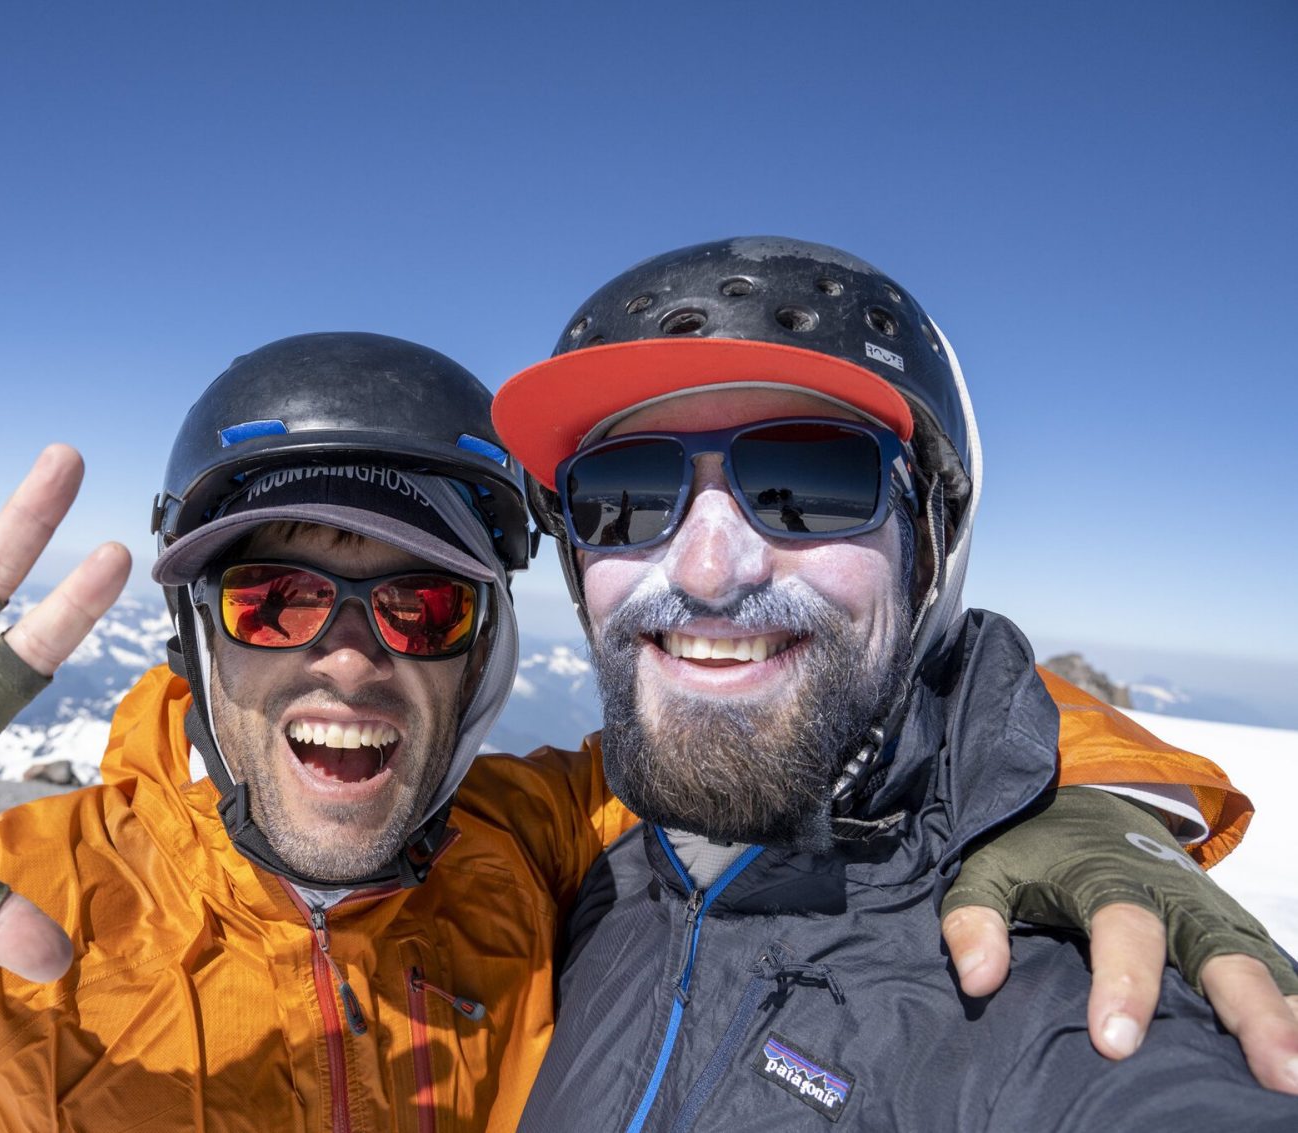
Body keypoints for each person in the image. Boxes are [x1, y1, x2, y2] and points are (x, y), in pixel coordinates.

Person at [0, 333, 1281, 1133]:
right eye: (274, 601)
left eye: (419, 605)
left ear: (483, 652)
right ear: (195, 638)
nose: (349, 661)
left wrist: (1063, 797)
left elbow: (775, 711)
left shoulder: (524, 842)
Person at [489, 237, 1298, 1129]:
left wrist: (1067, 799)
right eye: (626, 493)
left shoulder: (1042, 983)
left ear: (930, 549)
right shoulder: (580, 860)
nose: (710, 569)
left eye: (809, 479)